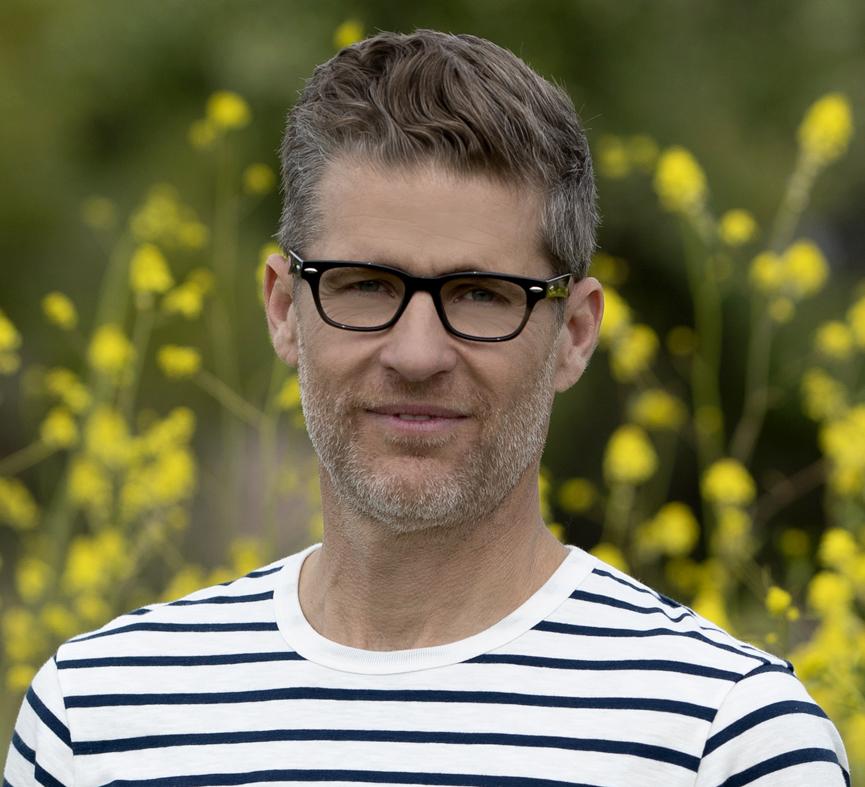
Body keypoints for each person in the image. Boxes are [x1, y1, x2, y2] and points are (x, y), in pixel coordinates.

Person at [5, 29, 849, 787]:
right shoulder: (98, 717)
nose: (416, 354)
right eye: (365, 284)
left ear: (575, 333)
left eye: (481, 294)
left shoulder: (726, 740)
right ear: (281, 310)